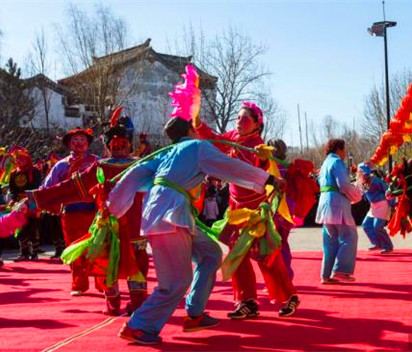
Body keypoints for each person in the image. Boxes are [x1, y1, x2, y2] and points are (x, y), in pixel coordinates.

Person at [112, 117, 283, 344]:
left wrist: (113, 206)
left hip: (167, 213)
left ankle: (195, 313)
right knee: (175, 282)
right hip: (170, 216)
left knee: (210, 254)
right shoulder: (197, 146)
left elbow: (133, 175)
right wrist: (269, 178)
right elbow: (229, 166)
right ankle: (139, 326)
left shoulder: (165, 152)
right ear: (192, 130)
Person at [28, 124, 149, 316]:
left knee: (107, 261)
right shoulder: (142, 165)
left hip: (108, 223)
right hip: (134, 225)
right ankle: (138, 306)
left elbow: (72, 188)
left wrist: (37, 198)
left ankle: (113, 305)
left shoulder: (101, 165)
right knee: (137, 263)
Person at [193, 102, 299, 319]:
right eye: (238, 118)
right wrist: (198, 123)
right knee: (236, 255)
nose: (239, 122)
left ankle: (289, 296)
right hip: (235, 209)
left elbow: (259, 171)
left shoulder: (258, 146)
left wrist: (262, 157)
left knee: (266, 256)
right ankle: (247, 301)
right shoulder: (233, 137)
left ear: (257, 126)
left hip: (254, 211)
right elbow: (215, 141)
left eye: (245, 119)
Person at [41, 128, 99, 295]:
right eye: (76, 140)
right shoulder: (61, 165)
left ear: (88, 144)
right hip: (71, 213)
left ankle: (104, 284)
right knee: (74, 249)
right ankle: (79, 284)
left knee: (99, 247)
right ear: (69, 144)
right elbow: (47, 187)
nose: (79, 143)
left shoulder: (97, 161)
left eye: (83, 139)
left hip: (95, 213)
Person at [316, 139, 362, 284]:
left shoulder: (324, 164)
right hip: (337, 202)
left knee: (330, 240)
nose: (344, 153)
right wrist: (356, 194)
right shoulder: (337, 162)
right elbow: (343, 184)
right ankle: (341, 270)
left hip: (324, 202)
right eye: (344, 149)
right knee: (349, 236)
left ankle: (325, 274)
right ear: (338, 149)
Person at [267, 138, 295, 279]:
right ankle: (286, 274)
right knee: (282, 242)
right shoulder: (290, 168)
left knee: (273, 244)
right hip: (288, 209)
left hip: (275, 208)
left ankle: (280, 277)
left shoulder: (270, 168)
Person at [8, 147, 41, 262]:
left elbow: (37, 186)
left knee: (32, 227)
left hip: (32, 203)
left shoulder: (35, 171)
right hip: (19, 204)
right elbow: (12, 189)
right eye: (17, 159)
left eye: (21, 159)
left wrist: (28, 199)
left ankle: (35, 253)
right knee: (20, 227)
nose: (18, 161)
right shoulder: (13, 174)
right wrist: (13, 198)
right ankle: (24, 253)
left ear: (27, 159)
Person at [358, 163, 393, 254]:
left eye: (361, 171)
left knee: (377, 226)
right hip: (373, 206)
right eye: (359, 171)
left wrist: (392, 203)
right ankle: (377, 243)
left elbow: (387, 190)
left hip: (383, 204)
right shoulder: (362, 182)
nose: (359, 173)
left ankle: (388, 247)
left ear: (366, 172)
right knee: (366, 225)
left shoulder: (376, 180)